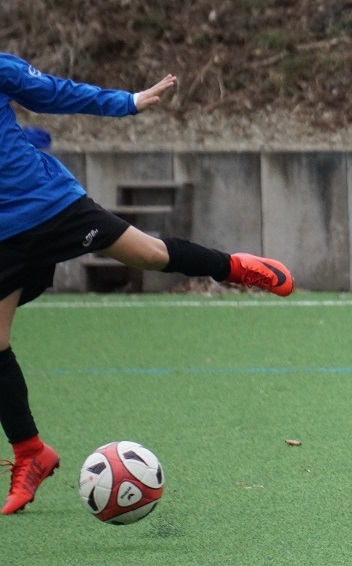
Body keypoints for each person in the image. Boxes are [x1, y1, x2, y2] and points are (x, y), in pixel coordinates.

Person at [0, 52, 295, 514]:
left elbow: (54, 93)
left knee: (150, 255)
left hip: (48, 203)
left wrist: (128, 101)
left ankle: (236, 268)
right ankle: (31, 453)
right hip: (2, 236)